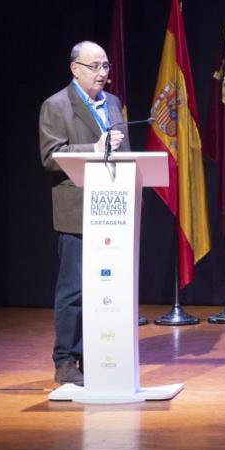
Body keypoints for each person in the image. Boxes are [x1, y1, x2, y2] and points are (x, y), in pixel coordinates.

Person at [38, 40, 128, 385]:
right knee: (74, 290)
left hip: (113, 210)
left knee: (107, 288)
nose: (103, 73)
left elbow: (125, 153)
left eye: (106, 66)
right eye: (96, 66)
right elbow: (50, 156)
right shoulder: (57, 106)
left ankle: (100, 355)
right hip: (77, 210)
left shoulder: (114, 104)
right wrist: (93, 149)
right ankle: (65, 359)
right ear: (75, 69)